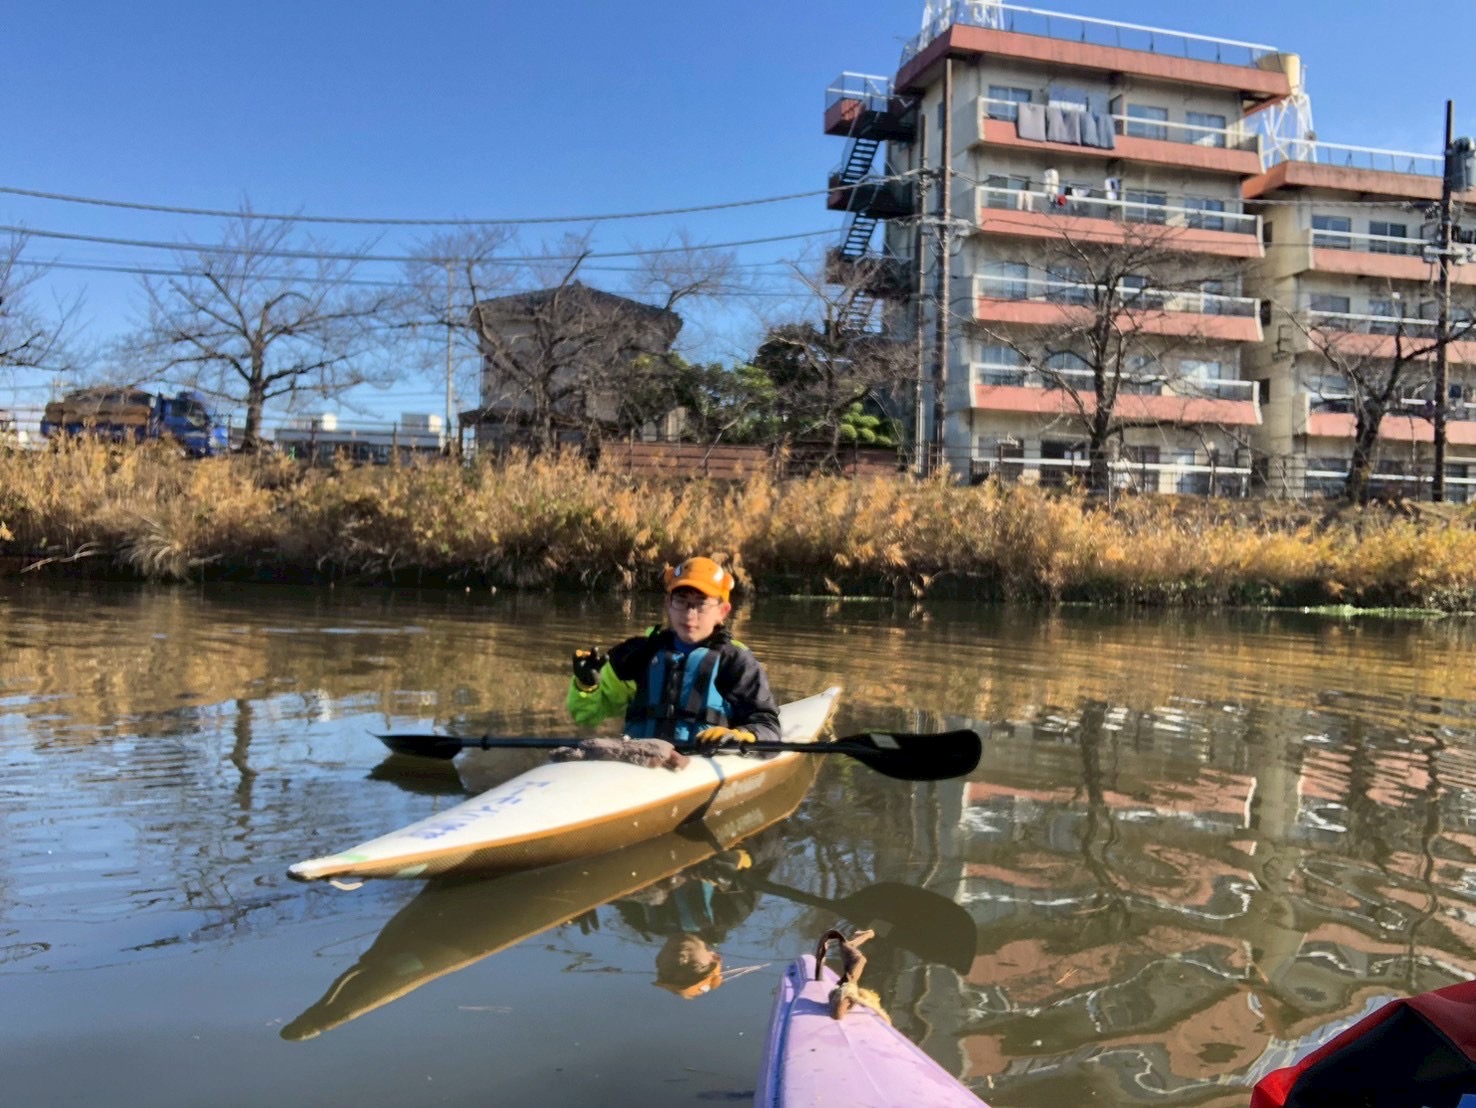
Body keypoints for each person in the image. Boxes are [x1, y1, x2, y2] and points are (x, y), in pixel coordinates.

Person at [566, 556, 781, 746]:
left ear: (722, 611)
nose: (689, 614)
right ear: (669, 603)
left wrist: (744, 734)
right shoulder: (638, 653)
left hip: (702, 764)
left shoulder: (736, 661)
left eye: (701, 604)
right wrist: (586, 686)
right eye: (681, 601)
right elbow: (587, 716)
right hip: (638, 759)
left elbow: (767, 725)